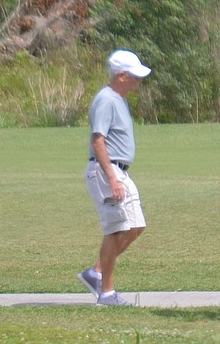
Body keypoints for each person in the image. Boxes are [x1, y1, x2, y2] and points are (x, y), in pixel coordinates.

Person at [77, 49, 151, 306]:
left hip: (119, 170)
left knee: (136, 226)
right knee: (116, 229)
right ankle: (106, 293)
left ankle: (96, 272)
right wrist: (112, 178)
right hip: (107, 170)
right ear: (121, 75)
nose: (138, 81)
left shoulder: (118, 98)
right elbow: (98, 140)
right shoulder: (106, 100)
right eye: (134, 76)